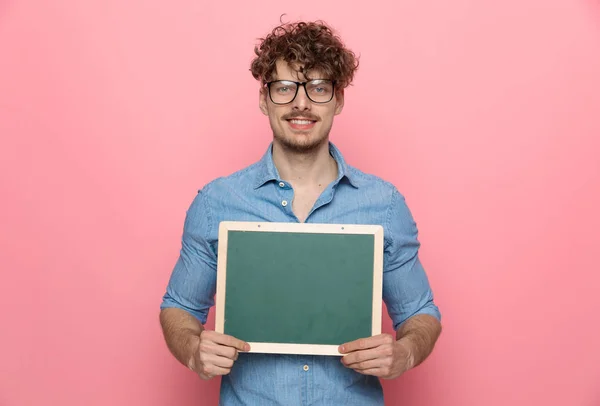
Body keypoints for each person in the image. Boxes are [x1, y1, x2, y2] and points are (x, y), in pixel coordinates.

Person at [159, 19, 442, 406]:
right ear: (264, 98)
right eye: (285, 88)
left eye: (319, 88)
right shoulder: (216, 202)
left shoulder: (384, 204)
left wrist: (404, 353)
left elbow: (420, 313)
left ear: (339, 100)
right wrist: (193, 350)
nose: (301, 103)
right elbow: (179, 308)